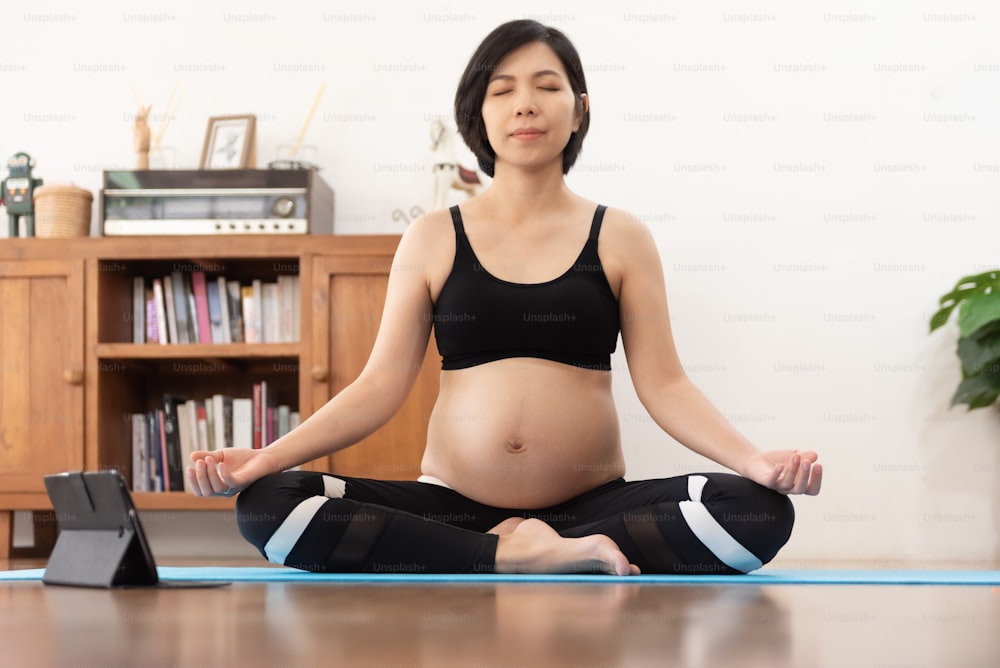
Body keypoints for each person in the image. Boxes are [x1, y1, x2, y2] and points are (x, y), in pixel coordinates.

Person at [187, 19, 822, 576]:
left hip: (591, 502)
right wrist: (262, 461)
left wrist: (753, 461)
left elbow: (666, 385)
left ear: (579, 110)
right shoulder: (433, 236)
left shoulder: (621, 235)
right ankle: (510, 553)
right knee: (271, 505)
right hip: (452, 507)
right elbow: (380, 385)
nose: (526, 105)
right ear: (478, 114)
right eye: (503, 90)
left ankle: (549, 543)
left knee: (759, 512)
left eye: (547, 87)